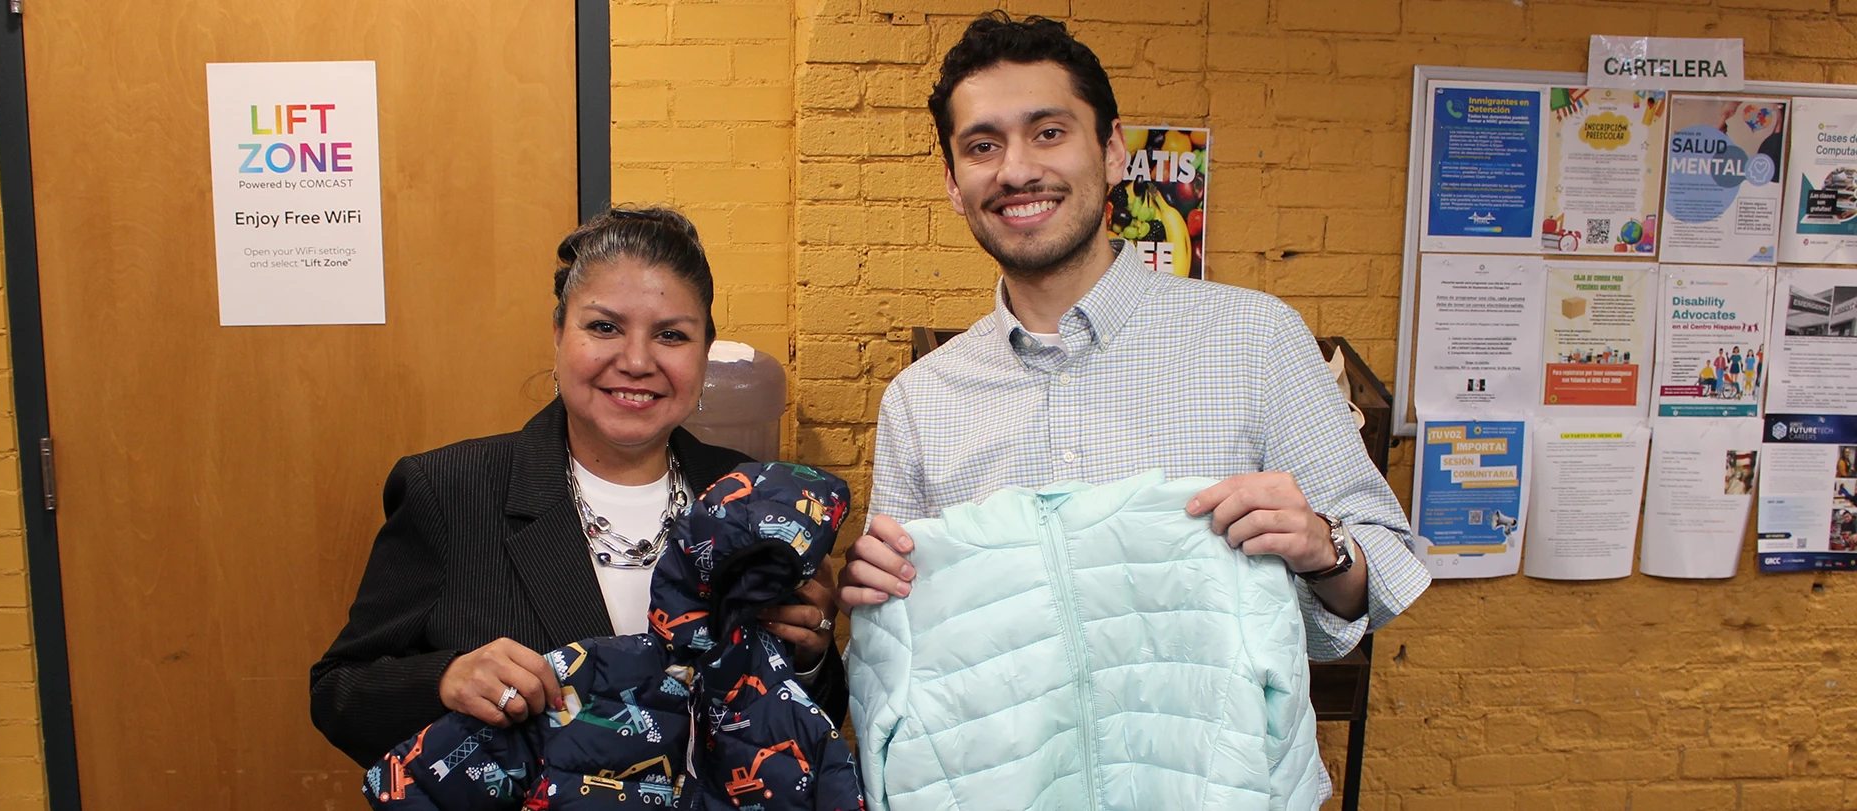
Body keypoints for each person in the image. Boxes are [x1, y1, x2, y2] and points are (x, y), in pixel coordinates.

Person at [839, 11, 1427, 675]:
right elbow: (897, 647)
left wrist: (1327, 548)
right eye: (982, 147)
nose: (1017, 169)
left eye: (1049, 132)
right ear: (953, 183)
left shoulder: (1257, 338)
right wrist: (875, 597)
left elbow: (1381, 572)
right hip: (1013, 777)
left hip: (1216, 774)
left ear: (1113, 150)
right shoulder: (921, 399)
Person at [310, 207, 844, 767]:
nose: (637, 361)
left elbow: (806, 728)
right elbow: (339, 693)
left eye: (671, 335)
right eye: (604, 327)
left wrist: (809, 656)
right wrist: (445, 679)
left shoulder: (749, 494)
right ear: (558, 334)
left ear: (703, 353)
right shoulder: (450, 491)